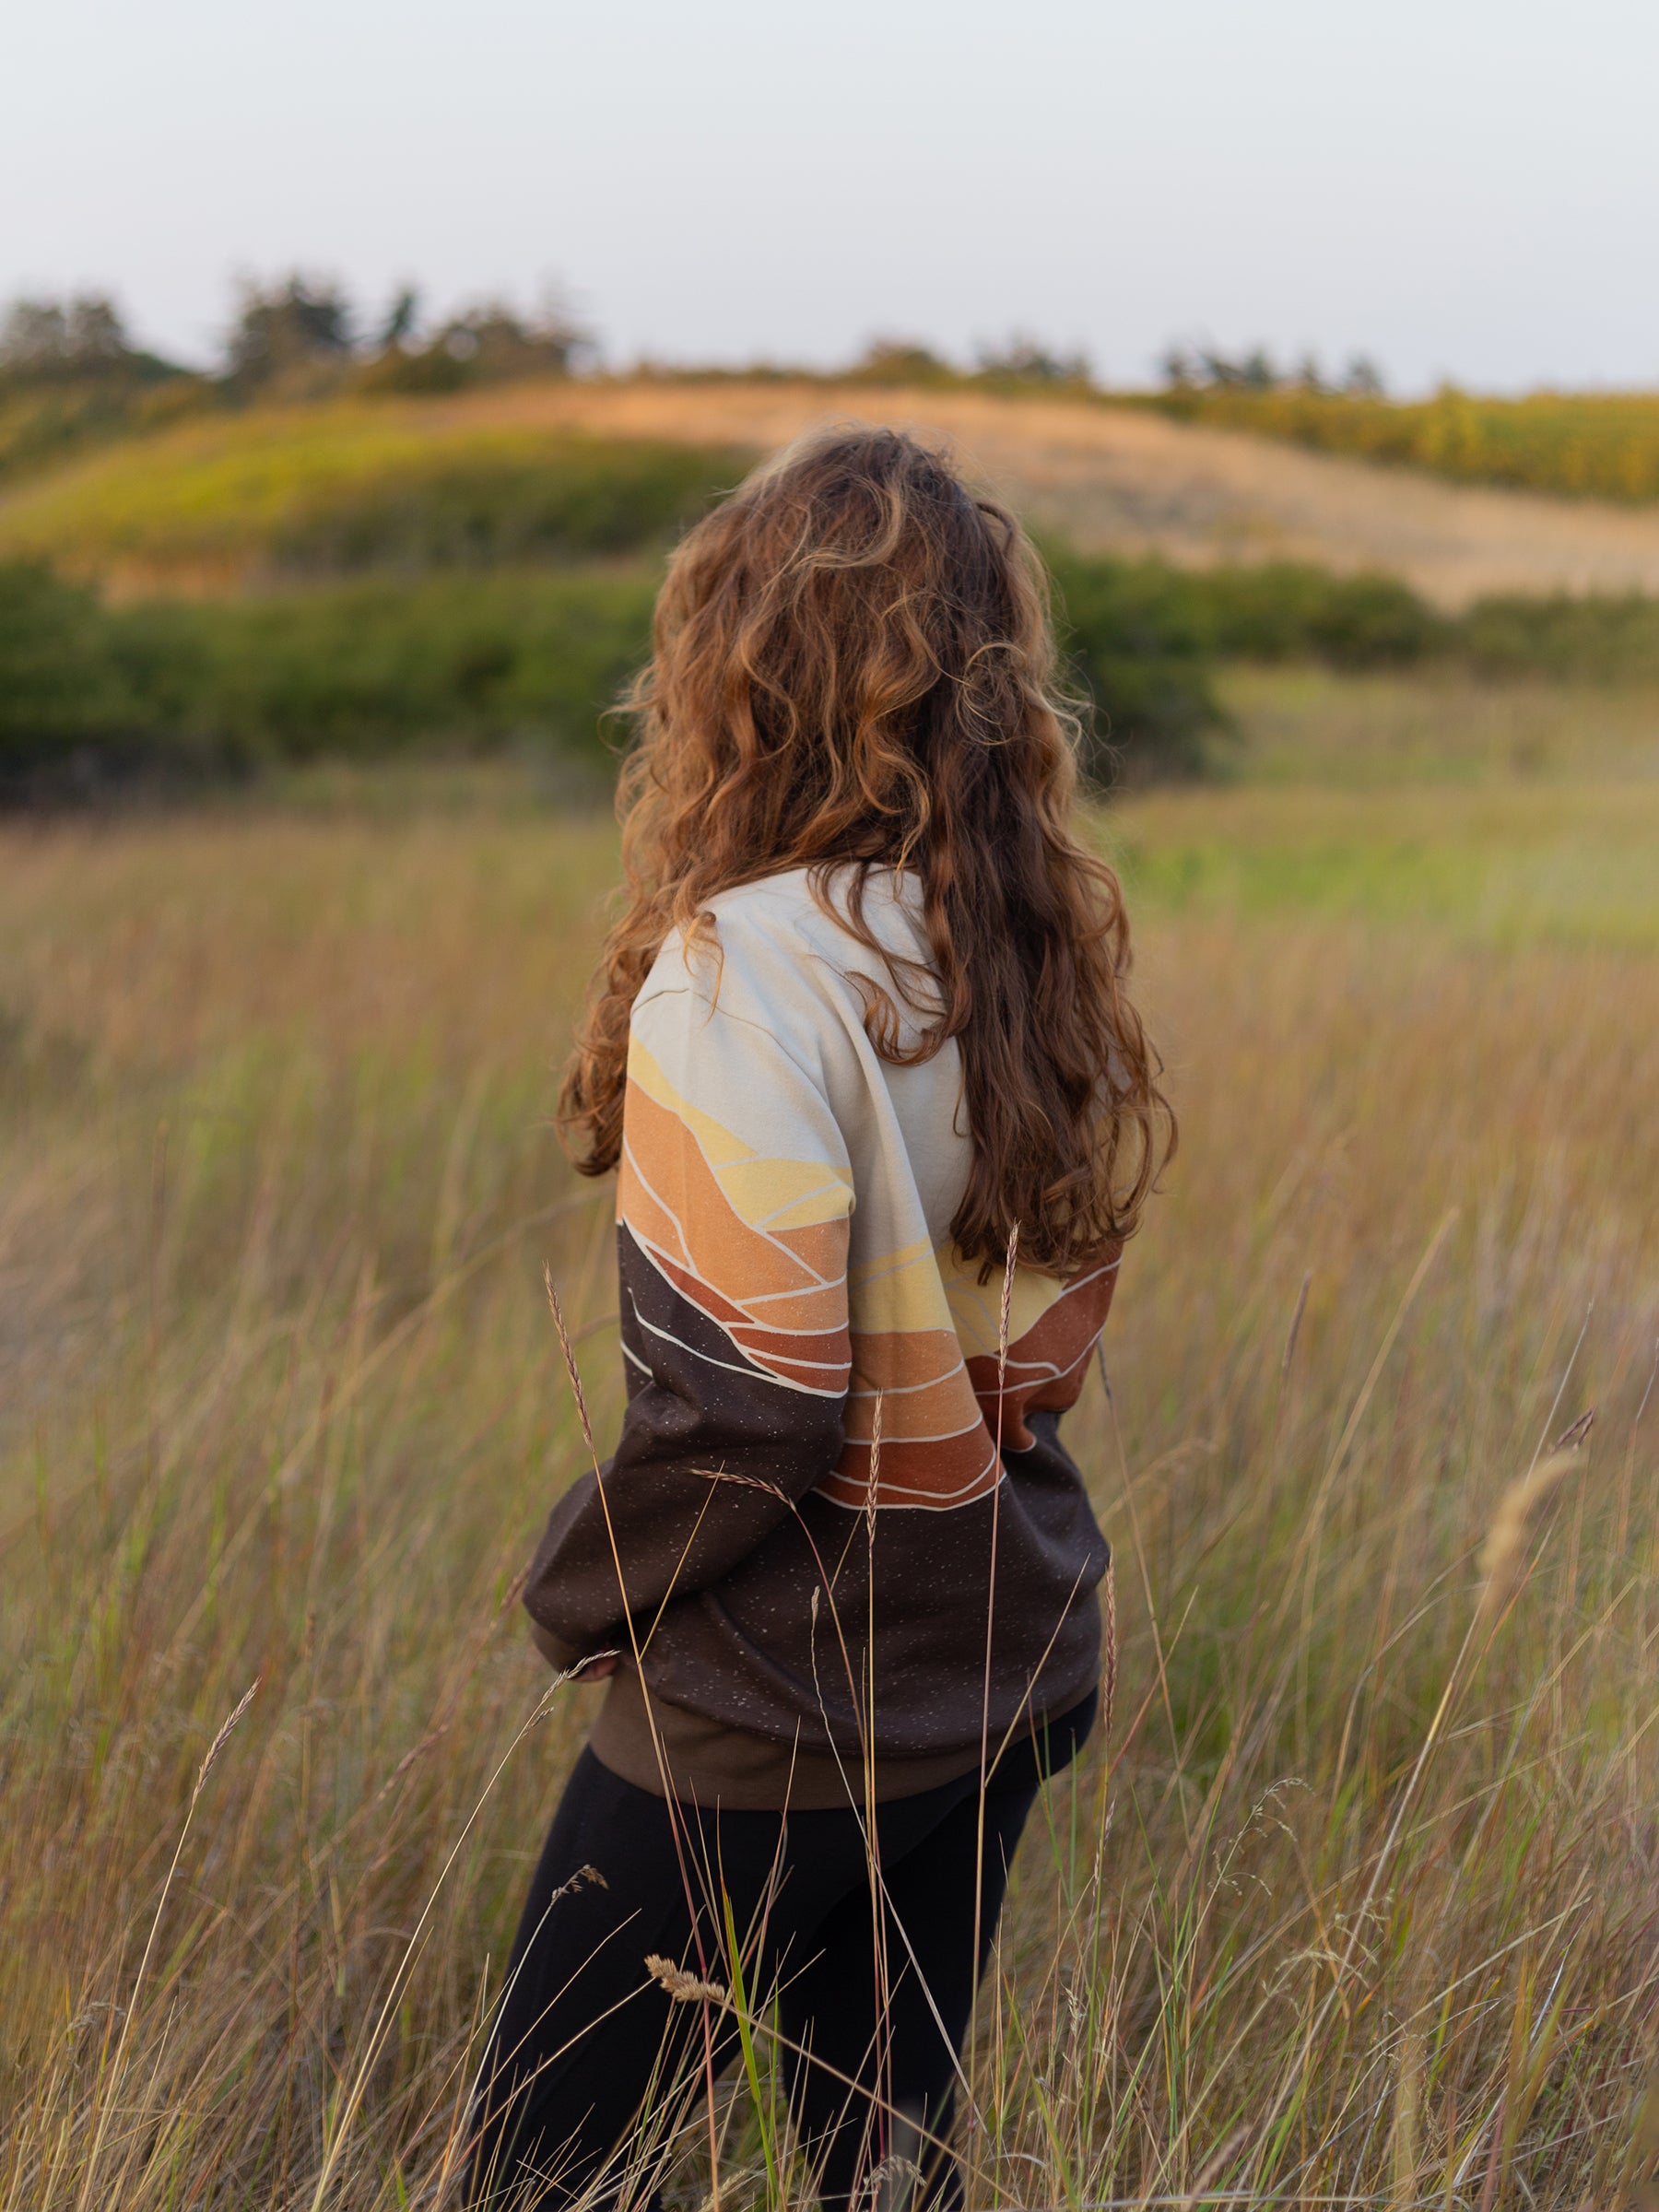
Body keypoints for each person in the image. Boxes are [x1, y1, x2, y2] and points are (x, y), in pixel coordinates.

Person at [468, 426, 1171, 2210]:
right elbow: (1034, 1354)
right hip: (1004, 1673)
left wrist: (574, 1597)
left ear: (738, 667)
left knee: (522, 2172)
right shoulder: (1018, 950)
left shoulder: (741, 975)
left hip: (780, 1709)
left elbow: (748, 1419)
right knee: (885, 2170)